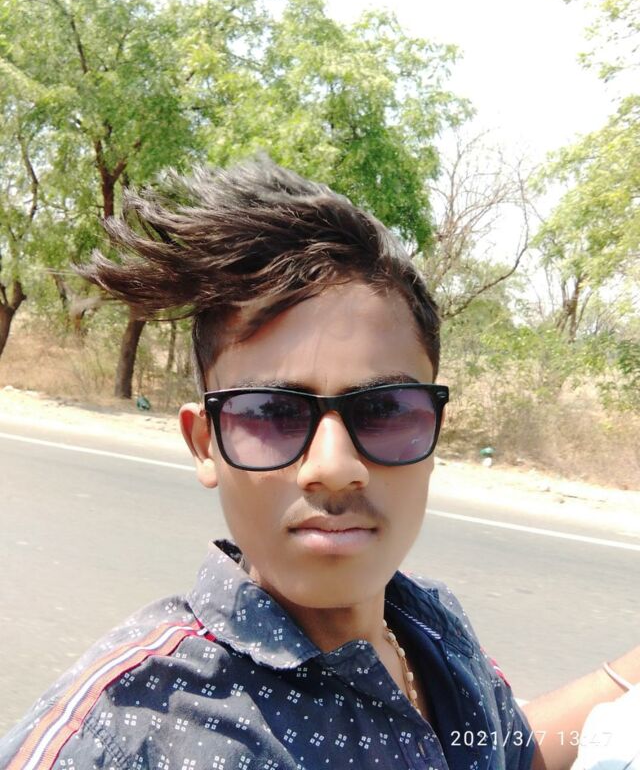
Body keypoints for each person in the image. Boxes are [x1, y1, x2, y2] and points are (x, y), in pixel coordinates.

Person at [0, 158, 637, 770]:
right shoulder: (125, 734)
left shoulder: (429, 624)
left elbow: (505, 753)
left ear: (433, 432)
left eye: (384, 409)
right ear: (205, 444)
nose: (333, 467)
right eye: (271, 413)